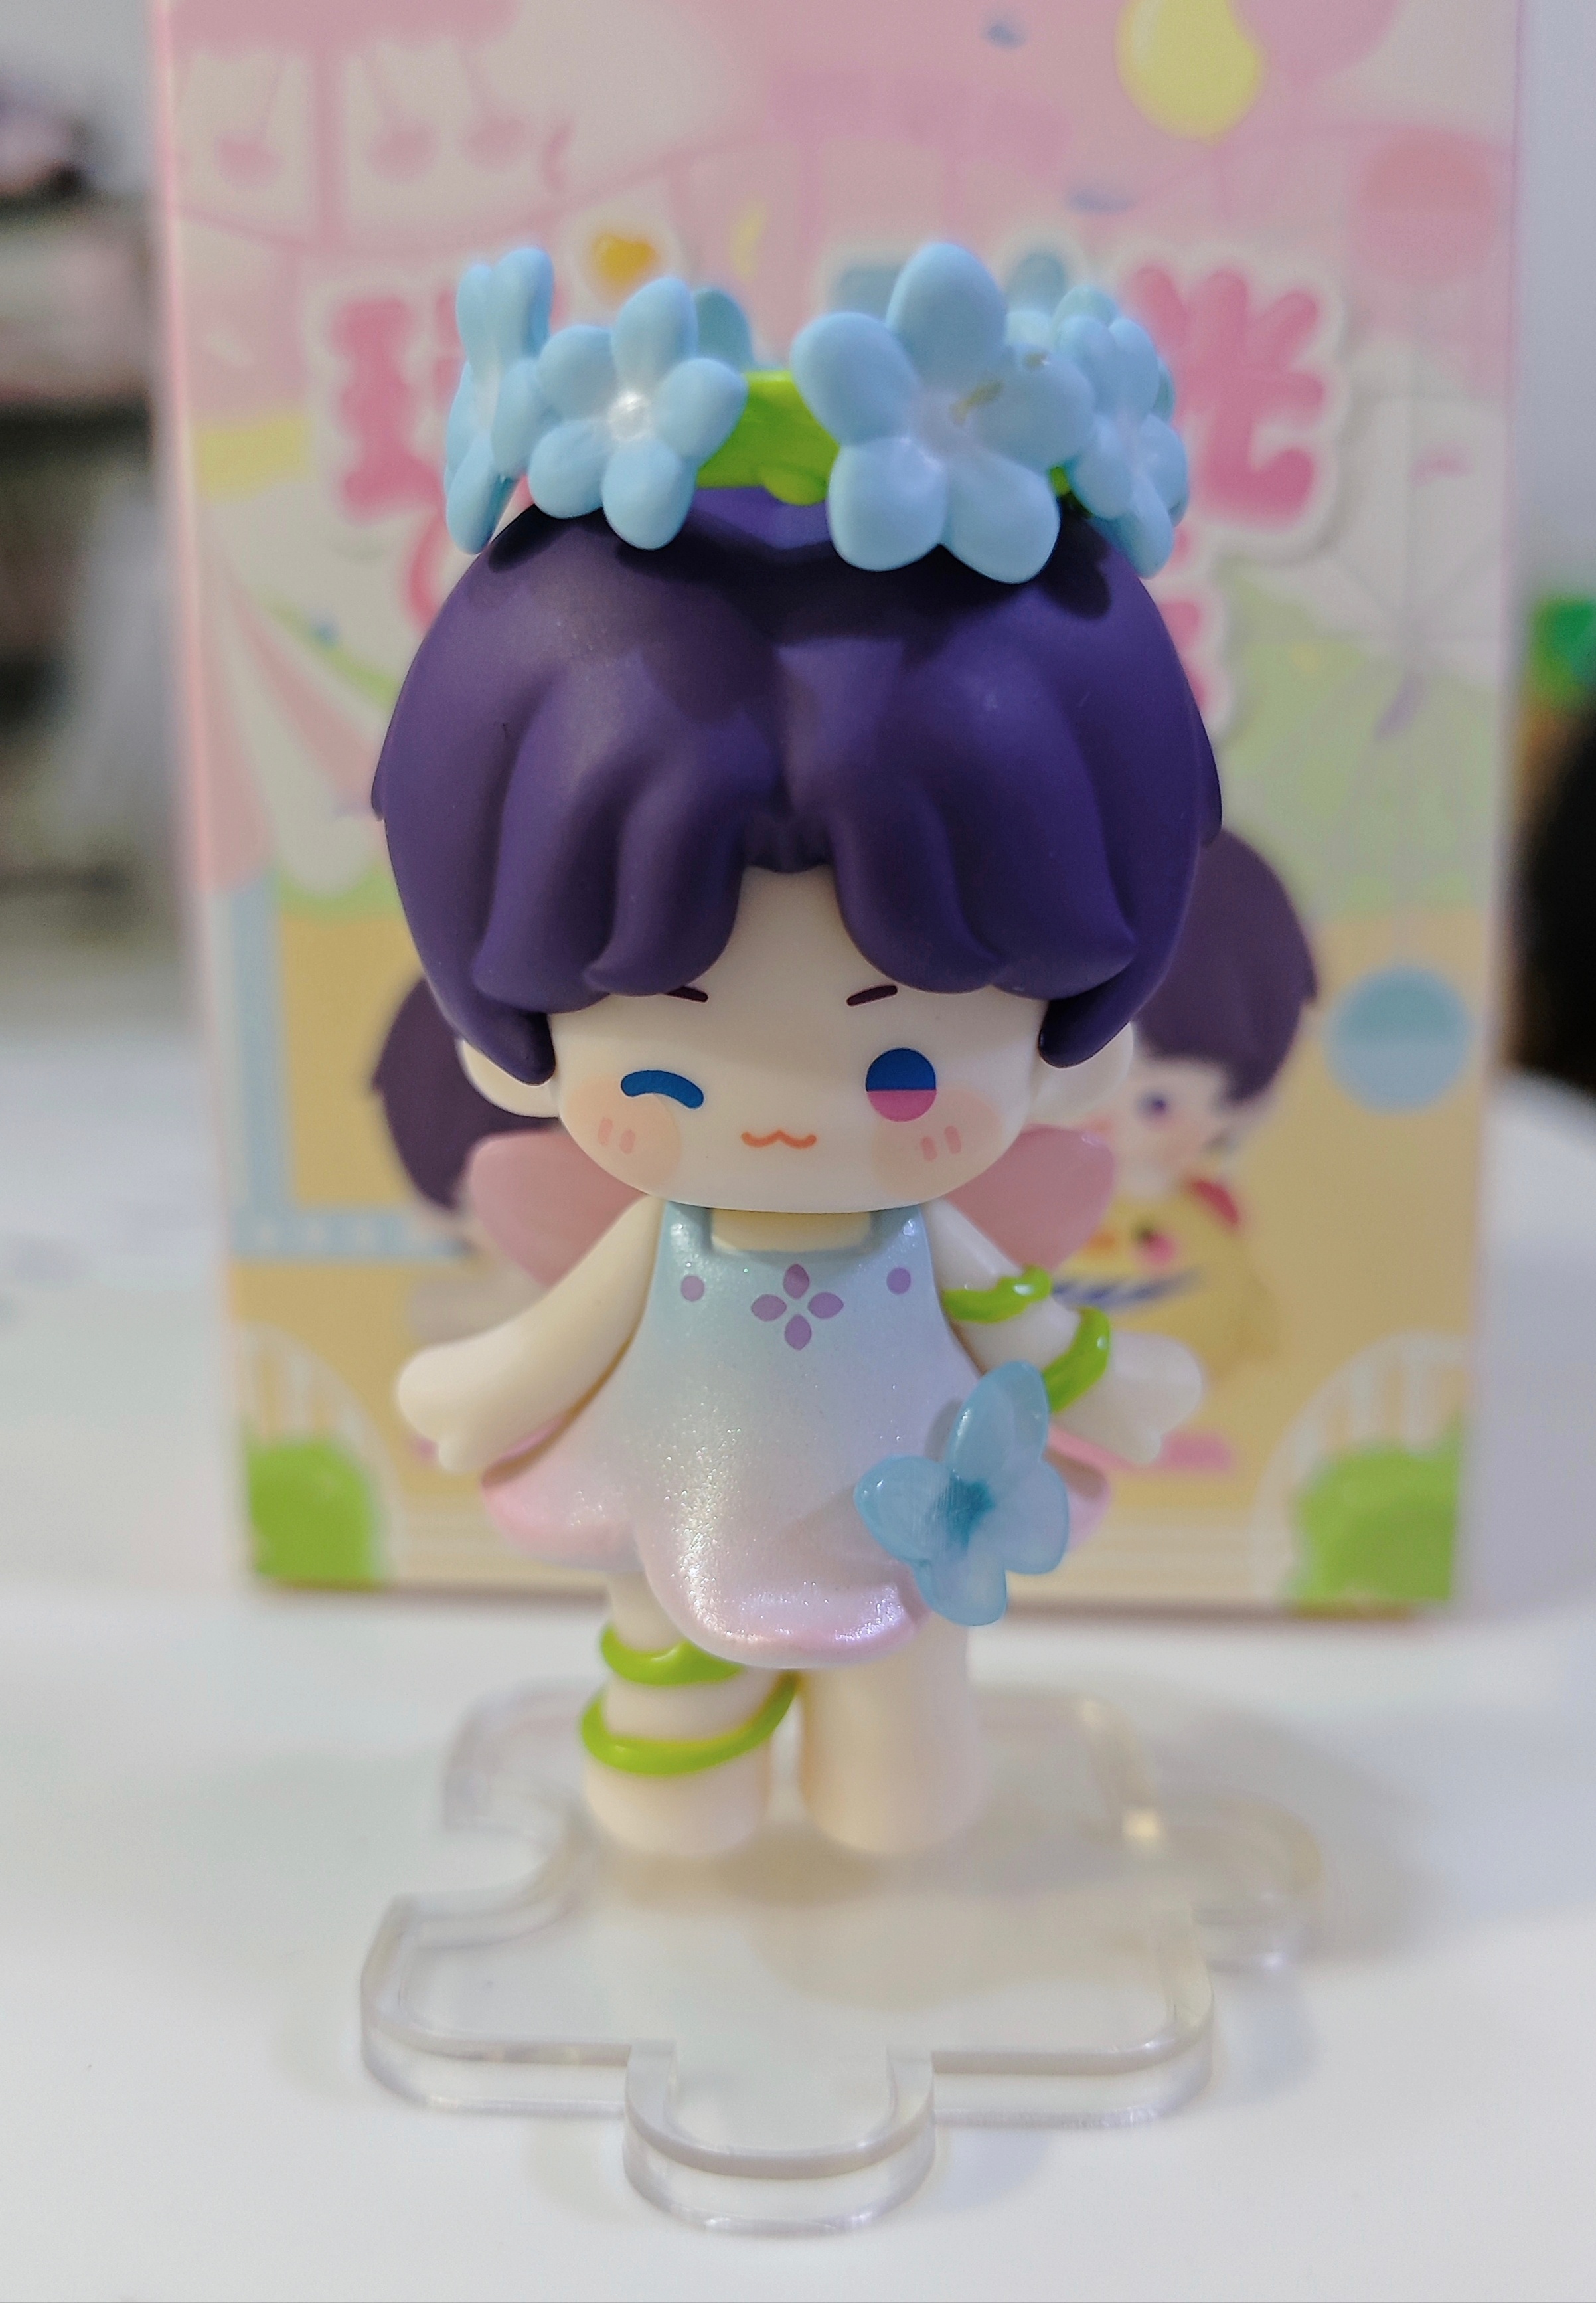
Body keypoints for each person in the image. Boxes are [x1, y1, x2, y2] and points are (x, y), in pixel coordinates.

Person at [374, 244, 1216, 1861]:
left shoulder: (924, 1242)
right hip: (674, 1471)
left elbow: (1015, 1319)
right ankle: (678, 1779)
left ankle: (892, 1779)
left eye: (900, 1066)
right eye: (665, 1069)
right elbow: (566, 1338)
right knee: (662, 1665)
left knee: (904, 1686)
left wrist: (1114, 1379)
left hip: (913, 1494)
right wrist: (485, 1386)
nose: (776, 1123)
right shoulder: (665, 1245)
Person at [1061, 829, 1317, 1387]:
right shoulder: (1015, 1206)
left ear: (1237, 1106)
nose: (1105, 1117)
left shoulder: (1206, 1226)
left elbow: (1251, 1326)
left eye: (1156, 1104)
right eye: (1078, 1078)